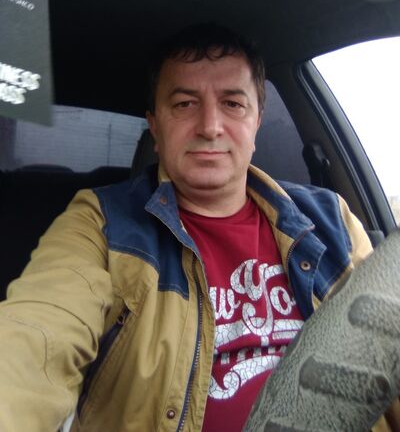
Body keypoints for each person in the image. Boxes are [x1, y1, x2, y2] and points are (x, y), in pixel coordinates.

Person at [0, 22, 384, 432]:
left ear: (257, 121)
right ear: (155, 126)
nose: (210, 126)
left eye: (233, 103)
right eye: (184, 104)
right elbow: (35, 337)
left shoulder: (328, 217)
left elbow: (384, 340)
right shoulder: (102, 223)